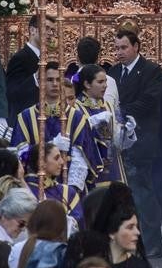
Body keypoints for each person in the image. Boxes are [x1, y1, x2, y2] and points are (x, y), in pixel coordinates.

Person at [108, 27, 162, 258]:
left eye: (123, 48)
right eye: (116, 48)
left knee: (143, 194)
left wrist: (119, 112)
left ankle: (153, 244)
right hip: (119, 143)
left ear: (136, 47)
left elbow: (149, 101)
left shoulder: (151, 70)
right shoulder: (113, 72)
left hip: (142, 142)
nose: (119, 52)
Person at [11, 63, 97, 192]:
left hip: (68, 185)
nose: (55, 84)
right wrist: (50, 147)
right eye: (50, 80)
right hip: (34, 187)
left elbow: (81, 159)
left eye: (58, 80)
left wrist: (70, 191)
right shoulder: (25, 117)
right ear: (40, 82)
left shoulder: (77, 118)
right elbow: (20, 156)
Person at [76, 63, 132, 189]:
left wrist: (127, 132)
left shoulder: (108, 106)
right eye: (100, 82)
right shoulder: (76, 107)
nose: (105, 86)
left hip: (113, 167)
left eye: (105, 81)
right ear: (87, 84)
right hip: (91, 167)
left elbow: (116, 142)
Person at [23, 142, 82, 222]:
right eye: (56, 158)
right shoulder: (25, 191)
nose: (62, 162)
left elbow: (79, 223)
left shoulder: (68, 192)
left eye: (61, 157)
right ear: (41, 163)